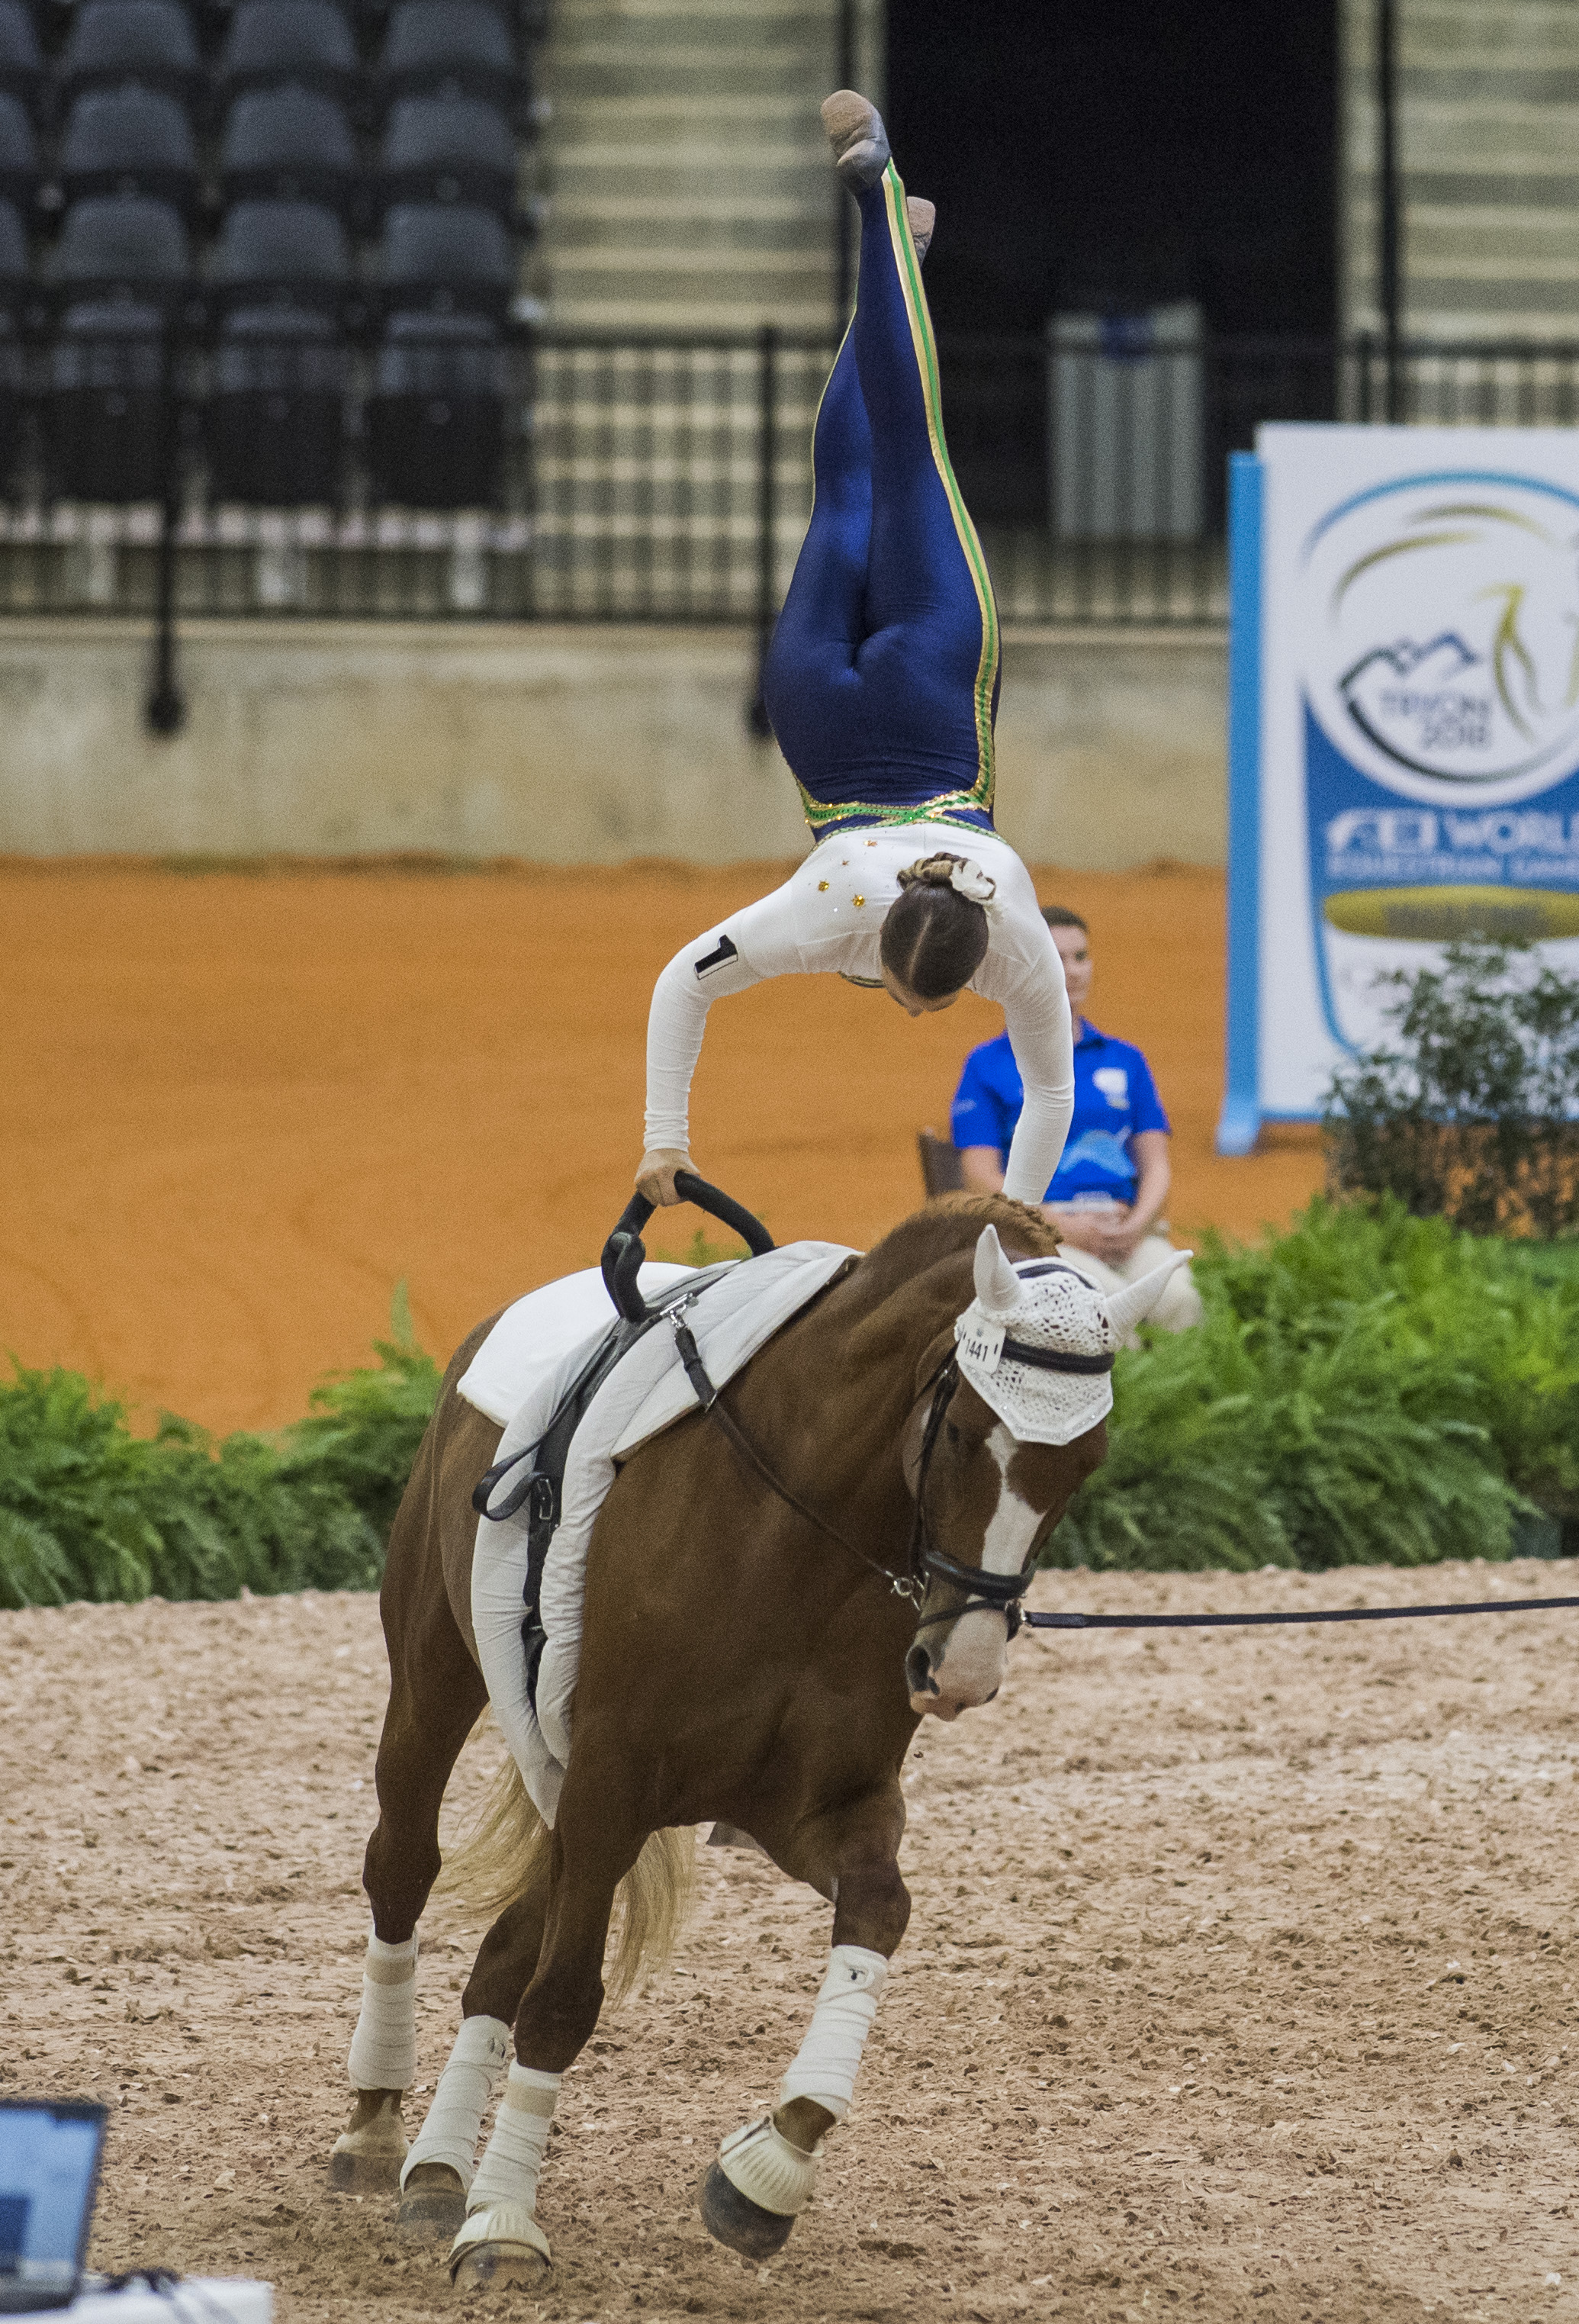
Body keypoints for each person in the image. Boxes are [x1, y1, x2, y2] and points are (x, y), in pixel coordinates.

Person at [635, 92, 1075, 1211]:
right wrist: (661, 1141)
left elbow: (1048, 1093)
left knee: (908, 451)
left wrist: (1018, 1209)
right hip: (824, 726)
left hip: (932, 706)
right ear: (886, 959)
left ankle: (887, 218)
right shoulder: (819, 922)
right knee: (846, 487)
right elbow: (679, 985)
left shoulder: (1011, 926)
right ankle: (886, 238)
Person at [950, 906, 1202, 1334]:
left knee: (1179, 1301)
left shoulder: (1126, 1059)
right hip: (1042, 1235)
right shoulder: (987, 1064)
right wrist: (1057, 1225)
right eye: (1055, 957)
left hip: (1126, 1228)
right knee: (1102, 1310)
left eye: (1081, 956)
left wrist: (1137, 1227)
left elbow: (1156, 1165)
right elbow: (979, 1175)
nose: (1072, 971)